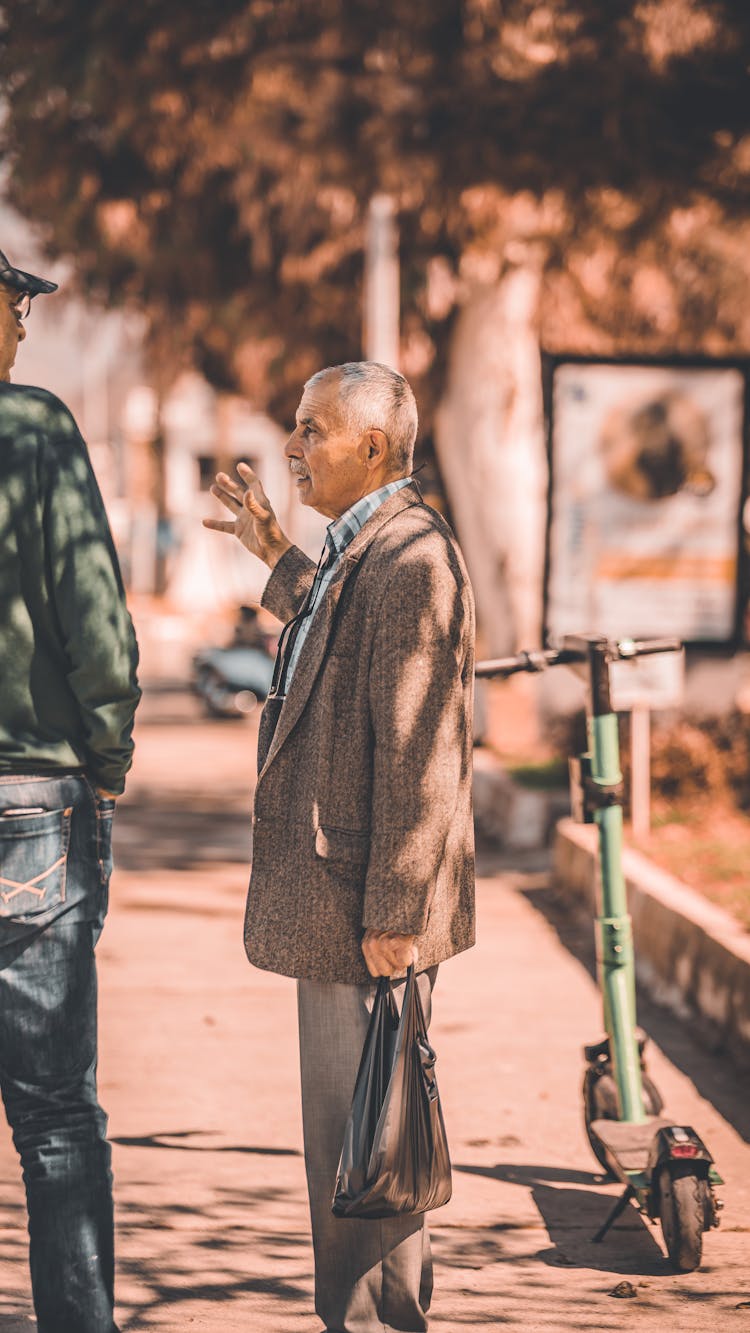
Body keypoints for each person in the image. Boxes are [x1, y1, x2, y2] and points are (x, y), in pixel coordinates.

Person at [204, 360, 475, 1333]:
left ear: (370, 447)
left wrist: (397, 916)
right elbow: (335, 634)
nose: (292, 445)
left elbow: (422, 751)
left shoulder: (412, 557)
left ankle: (373, 1323)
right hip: (345, 898)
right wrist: (271, 547)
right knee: (355, 1141)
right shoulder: (371, 547)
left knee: (368, 1146)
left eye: (312, 430)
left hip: (368, 907)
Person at [0, 248, 141, 1332]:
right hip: (27, 805)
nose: (24, 329)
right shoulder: (33, 430)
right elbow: (93, 622)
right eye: (14, 306)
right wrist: (106, 762)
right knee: (53, 1117)